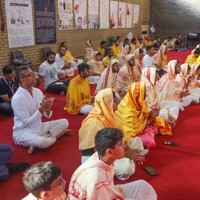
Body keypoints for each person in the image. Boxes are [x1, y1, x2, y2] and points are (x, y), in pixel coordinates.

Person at [69, 128, 157, 200]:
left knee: (142, 186)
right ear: (110, 151)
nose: (124, 146)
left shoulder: (102, 158)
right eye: (121, 144)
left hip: (103, 193)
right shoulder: (96, 177)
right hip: (100, 194)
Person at [79, 88, 145, 180]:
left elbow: (121, 138)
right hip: (97, 157)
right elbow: (101, 152)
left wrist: (128, 150)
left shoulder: (109, 115)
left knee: (137, 141)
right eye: (114, 102)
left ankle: (130, 159)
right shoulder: (93, 123)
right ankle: (128, 162)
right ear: (107, 103)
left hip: (114, 149)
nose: (117, 104)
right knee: (127, 168)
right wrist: (126, 154)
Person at [12, 67, 69, 154]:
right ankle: (56, 136)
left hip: (39, 126)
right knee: (43, 142)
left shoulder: (38, 91)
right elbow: (27, 123)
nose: (35, 76)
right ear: (22, 80)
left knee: (65, 122)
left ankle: (41, 139)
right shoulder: (17, 98)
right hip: (24, 131)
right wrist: (42, 109)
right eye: (31, 74)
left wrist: (47, 108)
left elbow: (46, 114)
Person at [115, 82, 172, 148]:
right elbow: (134, 132)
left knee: (160, 120)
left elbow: (145, 117)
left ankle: (152, 132)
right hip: (130, 134)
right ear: (137, 94)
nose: (146, 94)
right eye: (144, 92)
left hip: (142, 126)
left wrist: (151, 114)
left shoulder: (140, 103)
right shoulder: (127, 109)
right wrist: (150, 119)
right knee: (148, 140)